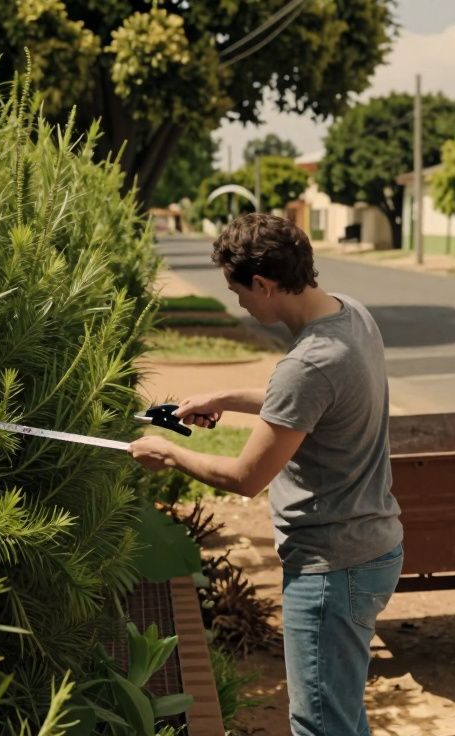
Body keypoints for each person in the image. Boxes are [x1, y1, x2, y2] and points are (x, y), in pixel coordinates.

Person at [129, 213, 403, 736]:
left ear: (265, 284)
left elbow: (245, 476)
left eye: (240, 294)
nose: (242, 306)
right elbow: (313, 405)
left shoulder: (308, 364)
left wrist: (168, 453)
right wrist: (224, 398)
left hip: (331, 568)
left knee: (320, 724)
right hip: (371, 548)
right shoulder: (351, 315)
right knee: (342, 715)